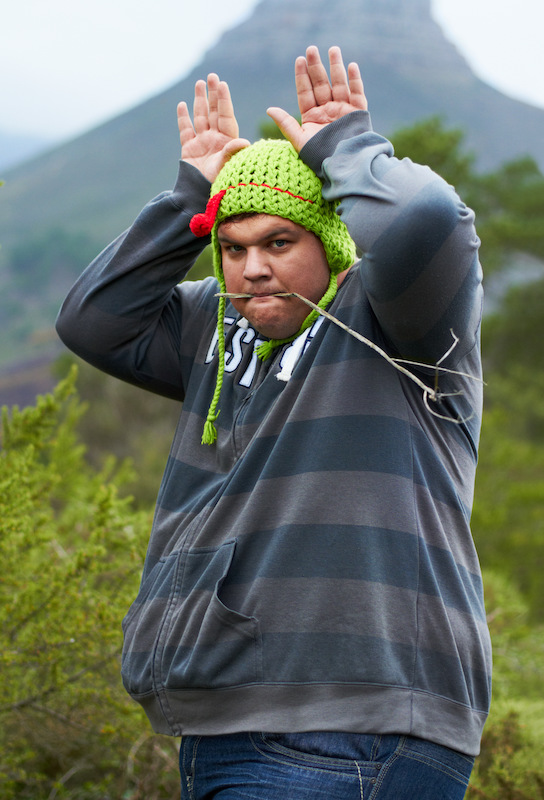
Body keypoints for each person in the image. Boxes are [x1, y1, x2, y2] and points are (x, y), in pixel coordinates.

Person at [56, 45, 491, 799]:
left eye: (279, 243)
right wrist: (195, 194)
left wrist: (346, 148)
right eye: (233, 248)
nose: (252, 268)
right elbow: (94, 321)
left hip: (351, 729)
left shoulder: (401, 321)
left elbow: (429, 219)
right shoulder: (212, 330)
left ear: (329, 242)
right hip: (226, 728)